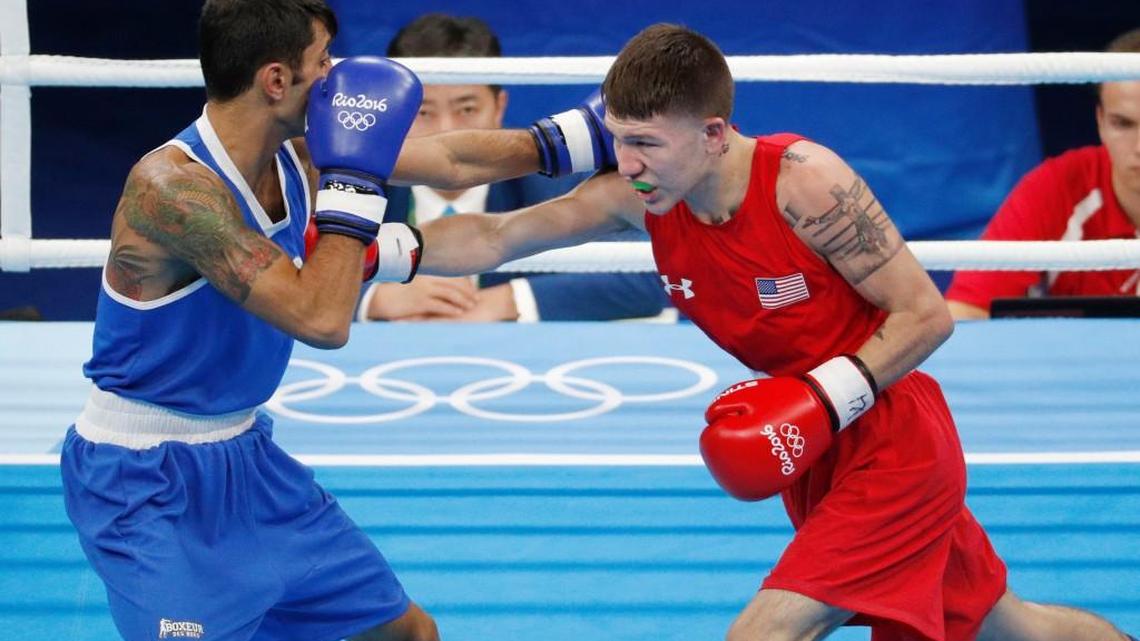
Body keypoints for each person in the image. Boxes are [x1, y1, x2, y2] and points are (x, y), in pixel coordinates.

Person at [406, 23, 1136, 641]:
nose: (628, 164)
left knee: (767, 628)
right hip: (813, 448)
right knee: (1011, 625)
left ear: (715, 133)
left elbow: (927, 313)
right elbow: (497, 236)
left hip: (893, 445)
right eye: (619, 141)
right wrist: (373, 249)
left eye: (648, 144)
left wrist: (820, 399)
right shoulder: (641, 197)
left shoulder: (804, 183)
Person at [55, 1, 576, 640]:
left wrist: (577, 138)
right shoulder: (172, 193)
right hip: (142, 480)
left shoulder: (297, 154)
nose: (335, 76)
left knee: (408, 633)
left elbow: (453, 160)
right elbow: (321, 319)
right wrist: (353, 185)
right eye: (322, 59)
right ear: (277, 80)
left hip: (248, 457)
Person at [359, 12, 667, 322]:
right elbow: (310, 264)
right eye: (424, 112)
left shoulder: (552, 178)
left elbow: (646, 278)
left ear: (499, 107)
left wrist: (511, 300)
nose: (445, 129)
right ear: (395, 113)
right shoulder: (359, 180)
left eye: (467, 108)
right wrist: (373, 298)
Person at [946, 27, 1140, 320]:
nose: (1139, 147)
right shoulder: (1058, 187)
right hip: (1072, 364)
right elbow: (964, 312)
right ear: (1100, 121)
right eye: (1123, 124)